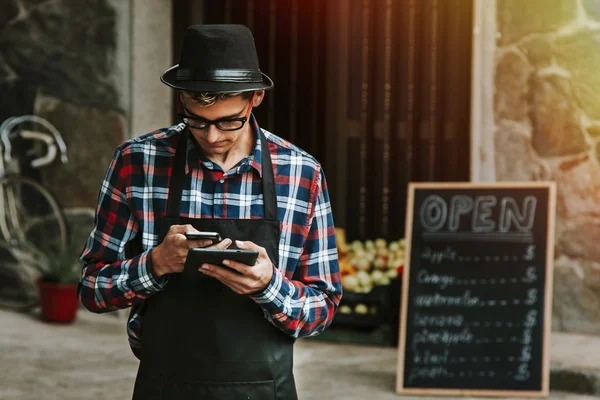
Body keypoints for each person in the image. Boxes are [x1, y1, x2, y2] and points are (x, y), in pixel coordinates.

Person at [77, 24, 342, 399]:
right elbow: (91, 289)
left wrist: (270, 286)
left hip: (264, 390)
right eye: (196, 120)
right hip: (165, 386)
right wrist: (154, 264)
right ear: (181, 100)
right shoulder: (138, 162)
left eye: (228, 121)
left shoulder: (301, 173)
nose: (212, 137)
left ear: (255, 99)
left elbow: (323, 308)